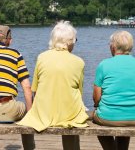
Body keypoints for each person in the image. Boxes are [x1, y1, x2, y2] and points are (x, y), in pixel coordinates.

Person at [17, 21, 88, 150]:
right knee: (73, 110)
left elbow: (35, 90)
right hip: (69, 114)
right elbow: (79, 92)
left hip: (44, 113)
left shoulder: (41, 57)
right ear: (70, 42)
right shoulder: (79, 62)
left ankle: (30, 148)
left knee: (26, 120)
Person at [93, 30, 135, 150]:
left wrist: (97, 106)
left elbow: (97, 96)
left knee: (96, 121)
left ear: (113, 47)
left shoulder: (104, 65)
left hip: (108, 118)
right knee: (125, 115)